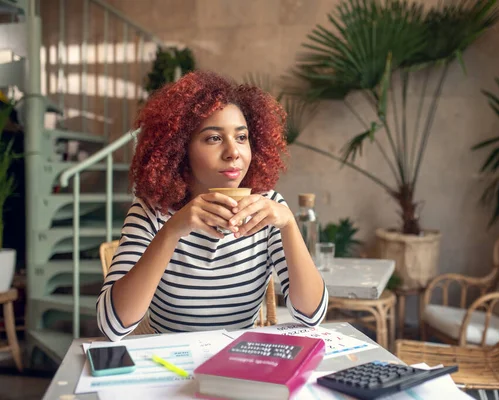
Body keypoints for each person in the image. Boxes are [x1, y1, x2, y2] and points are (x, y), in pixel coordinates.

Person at [97, 70, 328, 341]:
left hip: (239, 362)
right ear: (180, 150)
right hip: (169, 364)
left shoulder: (269, 208)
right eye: (213, 138)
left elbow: (311, 316)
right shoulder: (151, 212)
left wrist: (288, 224)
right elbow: (112, 326)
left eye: (241, 138)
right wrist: (172, 230)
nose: (233, 152)